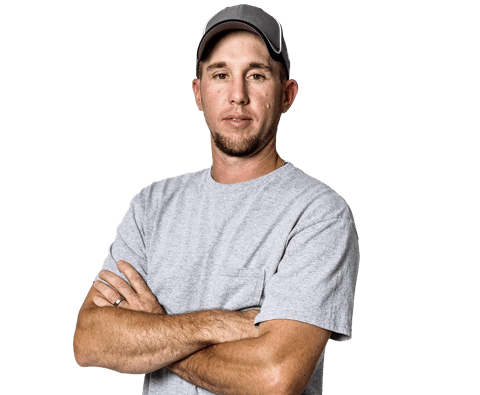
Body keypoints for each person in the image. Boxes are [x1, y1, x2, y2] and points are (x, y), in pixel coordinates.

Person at [73, 4, 360, 395]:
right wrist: (219, 323)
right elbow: (90, 339)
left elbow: (275, 379)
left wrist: (154, 328)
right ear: (198, 92)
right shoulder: (151, 206)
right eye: (220, 74)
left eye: (256, 75)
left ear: (287, 94)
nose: (237, 95)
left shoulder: (317, 213)